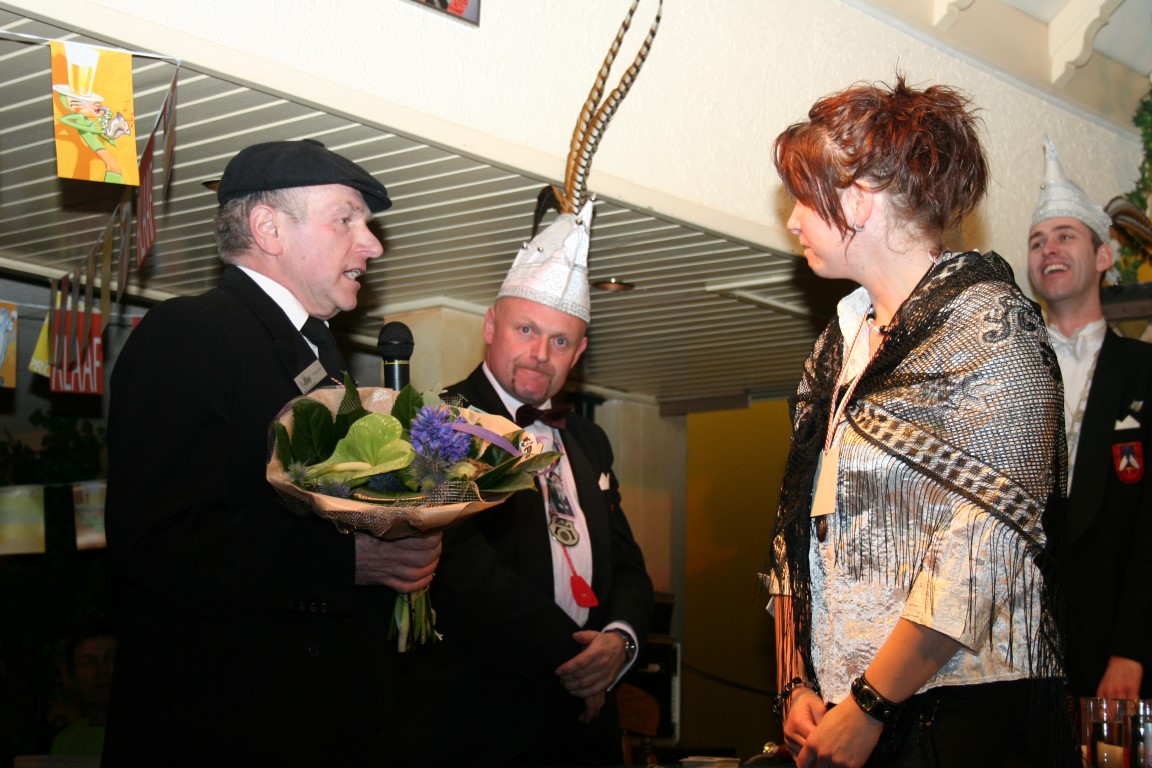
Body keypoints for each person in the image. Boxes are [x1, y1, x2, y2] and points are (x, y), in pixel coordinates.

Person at [763, 76, 1075, 768]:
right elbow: (796, 528)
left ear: (859, 199)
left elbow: (983, 553)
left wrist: (872, 704)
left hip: (966, 718)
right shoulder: (840, 341)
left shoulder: (992, 327)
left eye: (804, 196)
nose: (792, 220)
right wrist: (794, 681)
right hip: (848, 708)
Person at [102, 139, 442, 766]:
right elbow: (159, 538)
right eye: (347, 219)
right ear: (269, 229)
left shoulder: (323, 360)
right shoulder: (191, 332)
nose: (372, 245)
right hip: (222, 732)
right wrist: (350, 561)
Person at [399, 200, 654, 767]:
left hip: (586, 730)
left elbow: (628, 568)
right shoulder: (443, 422)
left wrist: (620, 642)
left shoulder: (589, 440)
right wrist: (576, 665)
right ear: (491, 326)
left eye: (560, 341)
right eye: (526, 330)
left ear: (579, 352)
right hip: (486, 721)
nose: (541, 355)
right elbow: (461, 571)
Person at [1025, 137, 1152, 701]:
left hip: (1117, 651)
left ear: (1103, 257)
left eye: (1065, 235)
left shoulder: (1145, 371)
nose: (1048, 249)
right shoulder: (1012, 371)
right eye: (1037, 241)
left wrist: (1133, 650)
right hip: (1023, 654)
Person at [50, 618, 116, 758]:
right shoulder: (65, 740)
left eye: (111, 658)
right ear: (71, 676)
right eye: (89, 662)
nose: (102, 671)